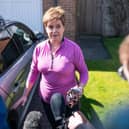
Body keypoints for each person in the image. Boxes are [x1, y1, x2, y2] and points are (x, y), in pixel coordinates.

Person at [12, 6, 88, 129]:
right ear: (46, 28)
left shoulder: (73, 49)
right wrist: (25, 94)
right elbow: (34, 72)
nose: (54, 30)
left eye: (58, 26)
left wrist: (80, 87)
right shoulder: (39, 49)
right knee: (56, 125)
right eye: (50, 27)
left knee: (71, 126)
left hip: (70, 100)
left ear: (64, 27)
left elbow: (84, 72)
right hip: (46, 100)